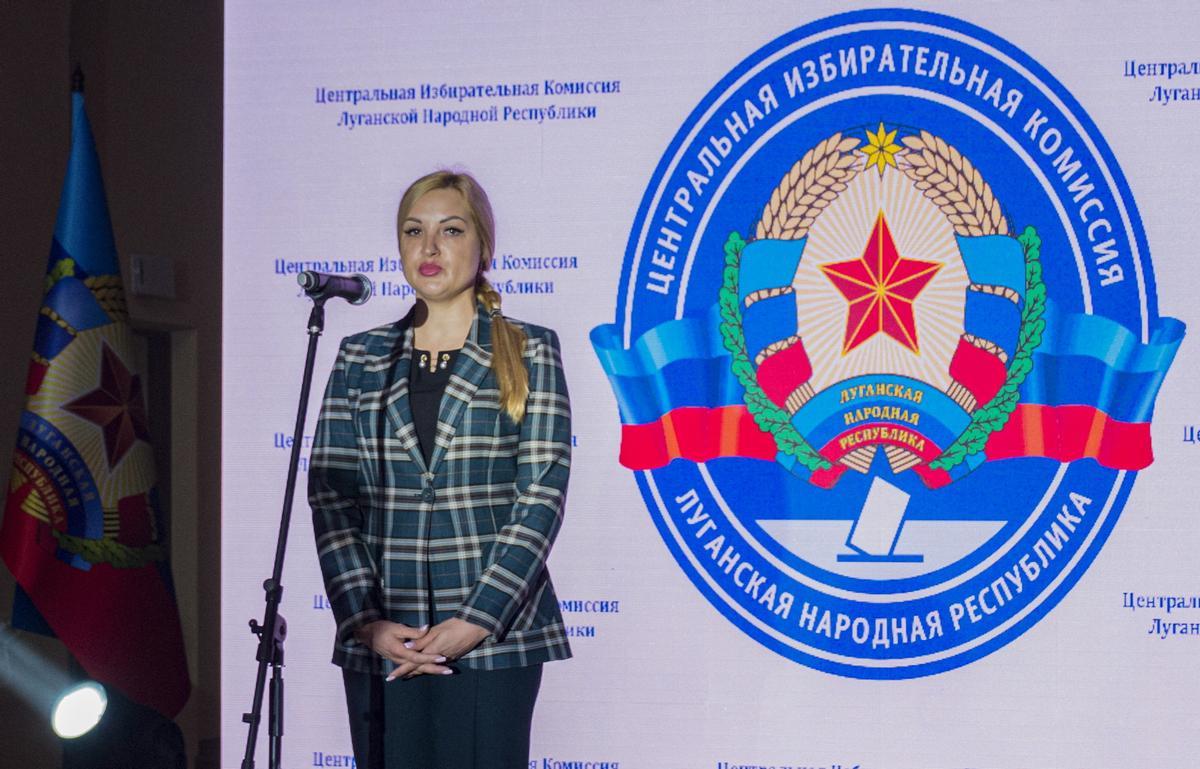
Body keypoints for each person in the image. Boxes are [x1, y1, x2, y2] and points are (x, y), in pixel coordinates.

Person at [309, 170, 572, 768]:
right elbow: (332, 500)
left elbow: (540, 495)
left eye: (450, 230)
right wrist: (365, 622)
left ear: (483, 247)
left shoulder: (530, 349)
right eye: (413, 231)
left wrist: (475, 621)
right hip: (385, 636)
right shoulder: (359, 356)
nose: (429, 249)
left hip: (493, 638)